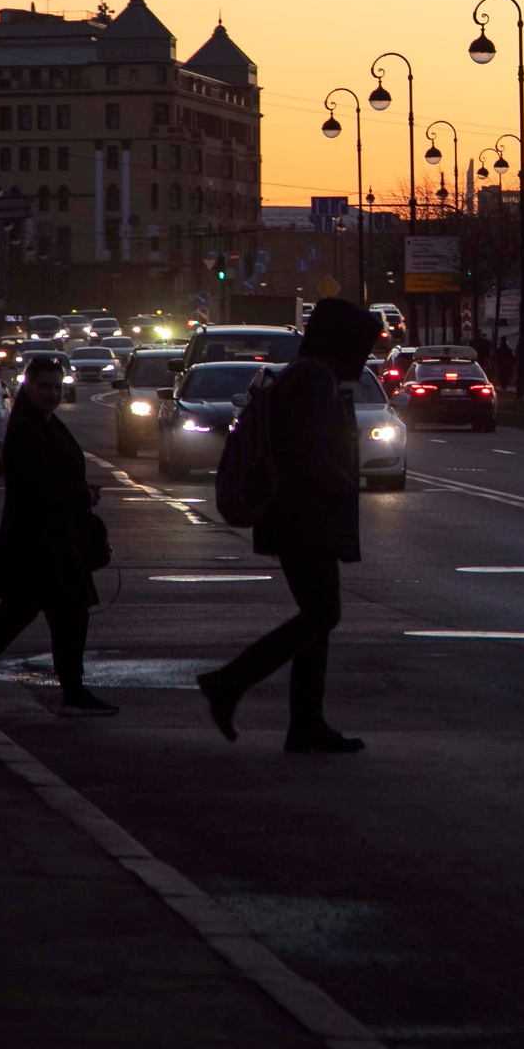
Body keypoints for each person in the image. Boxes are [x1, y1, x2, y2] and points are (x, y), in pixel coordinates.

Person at [197, 297, 374, 753]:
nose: (364, 356)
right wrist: (342, 485)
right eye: (360, 344)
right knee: (322, 614)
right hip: (304, 519)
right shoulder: (314, 378)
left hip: (298, 517)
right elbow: (304, 451)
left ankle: (305, 722)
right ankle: (230, 683)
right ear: (341, 342)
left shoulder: (305, 373)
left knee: (318, 617)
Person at [0, 355, 115, 716]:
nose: (52, 393)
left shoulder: (43, 422)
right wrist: (82, 494)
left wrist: (81, 491)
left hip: (47, 538)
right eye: (45, 386)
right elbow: (39, 486)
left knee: (26, 611)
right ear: (28, 386)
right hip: (42, 540)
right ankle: (71, 693)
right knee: (61, 612)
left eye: (57, 386)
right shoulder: (27, 428)